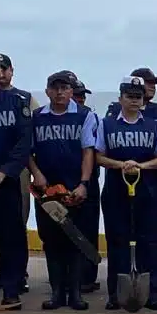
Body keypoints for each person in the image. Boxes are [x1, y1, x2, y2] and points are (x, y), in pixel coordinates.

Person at [95, 76, 157, 311]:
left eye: (138, 97)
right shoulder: (107, 124)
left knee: (148, 242)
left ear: (143, 100)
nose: (133, 100)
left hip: (146, 190)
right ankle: (115, 294)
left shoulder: (153, 125)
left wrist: (141, 166)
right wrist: (120, 165)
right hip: (116, 190)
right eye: (129, 96)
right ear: (120, 98)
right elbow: (97, 155)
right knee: (117, 240)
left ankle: (152, 294)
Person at [28, 71, 99, 310]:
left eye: (65, 88)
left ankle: (76, 293)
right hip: (46, 191)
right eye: (55, 88)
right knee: (51, 241)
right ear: (47, 91)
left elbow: (89, 151)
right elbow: (27, 151)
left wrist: (84, 184)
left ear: (72, 91)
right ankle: (57, 292)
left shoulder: (84, 116)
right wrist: (36, 174)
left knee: (76, 240)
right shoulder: (37, 117)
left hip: (74, 189)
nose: (60, 93)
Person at [0, 53, 35, 299]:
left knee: (11, 237)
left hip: (6, 181)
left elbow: (23, 142)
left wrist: (2, 173)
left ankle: (12, 289)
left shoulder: (17, 102)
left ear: (2, 73)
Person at [70, 77, 103, 292]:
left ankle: (88, 277)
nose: (81, 98)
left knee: (89, 231)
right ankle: (67, 277)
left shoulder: (91, 118)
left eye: (83, 95)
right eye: (77, 95)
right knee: (63, 234)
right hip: (62, 181)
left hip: (88, 183)